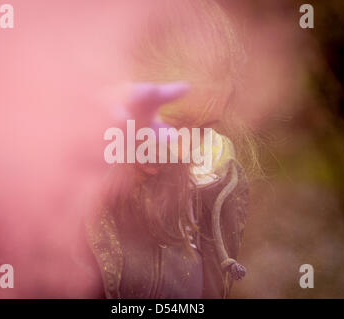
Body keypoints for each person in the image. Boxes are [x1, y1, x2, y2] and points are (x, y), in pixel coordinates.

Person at [85, 0, 252, 299]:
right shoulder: (19, 200)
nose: (182, 151)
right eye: (171, 123)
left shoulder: (214, 195)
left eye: (203, 129)